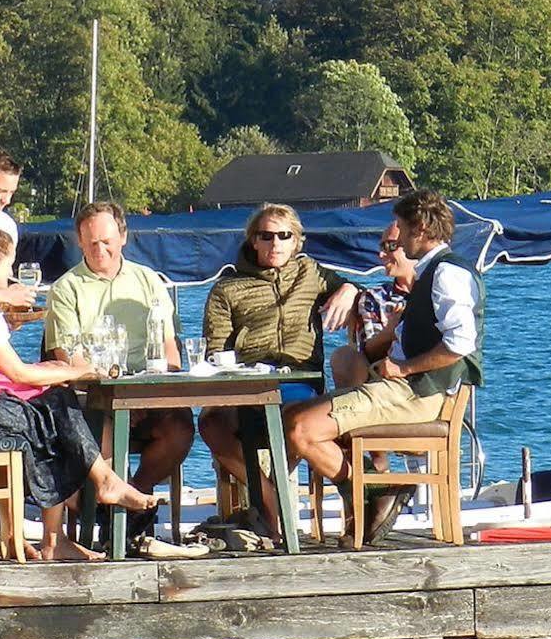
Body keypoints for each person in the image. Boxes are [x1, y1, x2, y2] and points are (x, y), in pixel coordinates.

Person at [0, 220, 154, 560]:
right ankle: (83, 506)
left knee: (51, 405)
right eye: (9, 262)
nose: (10, 271)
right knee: (49, 414)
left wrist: (56, 371)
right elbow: (18, 373)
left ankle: (78, 510)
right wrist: (75, 370)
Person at [286, 188, 483, 545]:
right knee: (295, 419)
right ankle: (375, 491)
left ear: (420, 229)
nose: (400, 238)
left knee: (299, 429)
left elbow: (460, 343)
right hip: (404, 390)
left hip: (419, 395)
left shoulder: (446, 273)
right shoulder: (432, 274)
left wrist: (404, 370)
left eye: (403, 230)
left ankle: (375, 492)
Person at [197, 203, 358, 537]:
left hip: (299, 382)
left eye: (284, 236)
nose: (275, 243)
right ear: (253, 241)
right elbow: (215, 352)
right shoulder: (227, 288)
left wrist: (349, 289)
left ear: (296, 241)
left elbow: (351, 289)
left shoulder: (311, 274)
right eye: (266, 236)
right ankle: (270, 500)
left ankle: (351, 492)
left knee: (291, 420)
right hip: (247, 384)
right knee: (210, 423)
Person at [45, 201, 196, 547]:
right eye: (92, 242)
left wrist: (152, 392)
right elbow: (67, 357)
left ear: (123, 237)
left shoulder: (148, 281)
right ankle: (115, 507)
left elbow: (169, 347)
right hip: (94, 397)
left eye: (107, 241)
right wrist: (119, 396)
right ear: (80, 243)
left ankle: (132, 498)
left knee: (182, 428)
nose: (101, 249)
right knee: (104, 425)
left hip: (147, 390)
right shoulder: (66, 289)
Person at [329, 225, 417, 392]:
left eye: (390, 246)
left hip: (433, 383)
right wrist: (391, 331)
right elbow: (368, 355)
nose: (381, 254)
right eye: (381, 247)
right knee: (343, 355)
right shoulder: (376, 298)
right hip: (389, 384)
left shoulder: (438, 294)